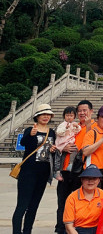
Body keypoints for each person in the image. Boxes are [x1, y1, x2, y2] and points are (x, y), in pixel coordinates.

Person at [13, 103, 56, 234]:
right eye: (43, 114)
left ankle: (27, 231)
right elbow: (23, 143)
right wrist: (30, 135)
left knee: (33, 206)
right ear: (37, 117)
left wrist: (53, 150)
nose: (45, 117)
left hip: (43, 173)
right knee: (22, 205)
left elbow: (50, 151)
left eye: (48, 114)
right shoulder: (30, 129)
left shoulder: (52, 132)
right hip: (28, 172)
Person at [55, 99, 94, 234]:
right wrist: (63, 147)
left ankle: (74, 229)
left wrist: (88, 126)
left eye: (85, 110)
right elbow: (59, 140)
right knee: (62, 202)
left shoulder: (94, 126)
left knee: (76, 203)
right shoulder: (73, 126)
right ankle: (60, 228)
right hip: (66, 170)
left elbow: (89, 145)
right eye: (80, 111)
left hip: (80, 171)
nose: (82, 113)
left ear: (91, 111)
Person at [63, 164, 103, 234]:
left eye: (94, 178)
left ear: (99, 180)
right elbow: (69, 226)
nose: (91, 181)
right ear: (82, 180)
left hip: (98, 229)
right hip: (78, 230)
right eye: (87, 178)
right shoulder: (72, 198)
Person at [81, 105, 103, 193]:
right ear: (98, 118)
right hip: (93, 171)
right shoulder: (92, 133)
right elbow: (85, 151)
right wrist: (101, 141)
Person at [53, 107, 80, 181]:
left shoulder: (73, 124)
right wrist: (65, 128)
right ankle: (57, 172)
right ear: (64, 116)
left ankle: (70, 164)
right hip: (62, 143)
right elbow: (59, 132)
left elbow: (77, 131)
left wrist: (77, 126)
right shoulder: (62, 124)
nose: (69, 117)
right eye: (67, 115)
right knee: (59, 159)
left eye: (71, 116)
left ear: (74, 117)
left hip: (69, 142)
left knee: (74, 150)